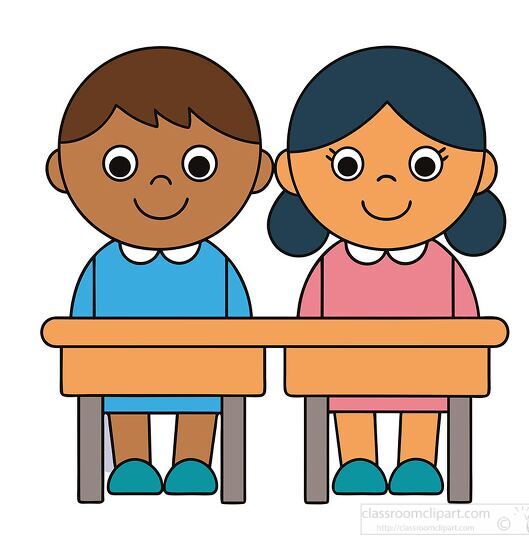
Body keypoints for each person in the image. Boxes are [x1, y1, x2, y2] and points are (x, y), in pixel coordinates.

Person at [268, 46, 505, 495]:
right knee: (350, 402)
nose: (386, 184)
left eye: (424, 165)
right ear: (293, 174)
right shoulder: (331, 268)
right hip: (346, 375)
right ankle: (356, 460)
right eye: (348, 165)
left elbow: (468, 325)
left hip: (428, 374)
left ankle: (418, 460)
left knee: (423, 403)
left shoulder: (444, 268)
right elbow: (307, 327)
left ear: (479, 174)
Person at [46, 47, 272, 495]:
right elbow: (77, 328)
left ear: (255, 174)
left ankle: (193, 460)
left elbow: (243, 327)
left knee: (202, 403)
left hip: (206, 376)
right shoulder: (103, 269)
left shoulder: (218, 269)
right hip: (121, 375)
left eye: (198, 166)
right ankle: (131, 460)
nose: (161, 184)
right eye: (121, 165)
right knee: (124, 402)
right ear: (63, 173)